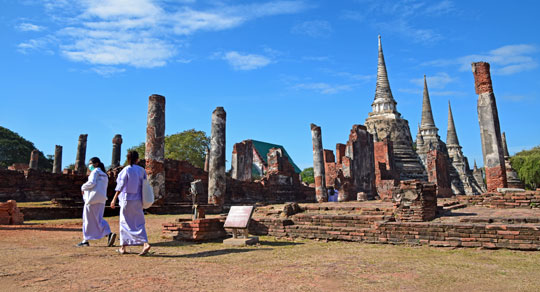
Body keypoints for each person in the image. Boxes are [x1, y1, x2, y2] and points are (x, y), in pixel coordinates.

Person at [110, 151, 151, 256]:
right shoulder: (142, 170)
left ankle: (123, 247)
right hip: (138, 199)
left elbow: (120, 185)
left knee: (124, 222)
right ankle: (145, 243)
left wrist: (114, 199)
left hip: (127, 199)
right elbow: (145, 185)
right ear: (137, 159)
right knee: (139, 222)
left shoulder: (126, 170)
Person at [78, 157, 116, 247]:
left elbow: (91, 183)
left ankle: (85, 240)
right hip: (101, 199)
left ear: (96, 164)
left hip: (91, 199)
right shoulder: (104, 175)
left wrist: (82, 187)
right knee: (98, 219)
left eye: (90, 163)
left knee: (87, 219)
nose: (89, 165)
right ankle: (109, 233)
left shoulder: (95, 172)